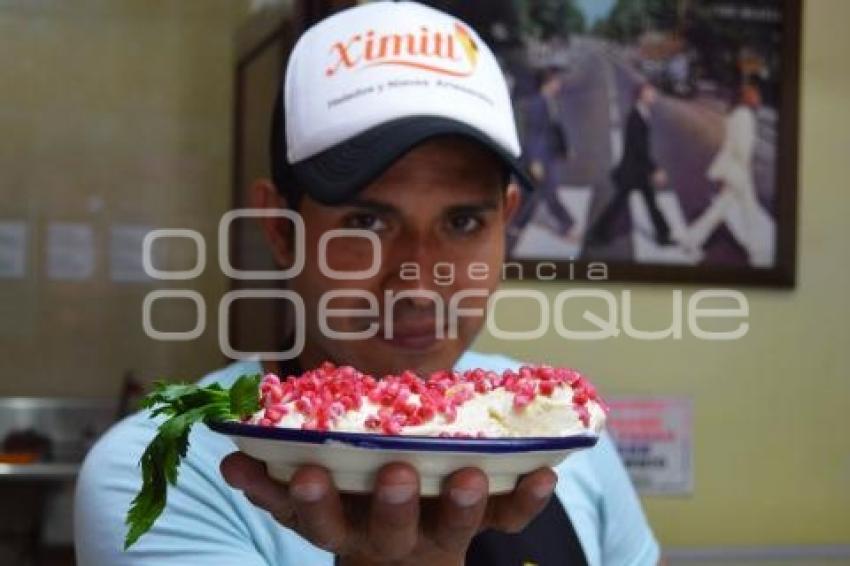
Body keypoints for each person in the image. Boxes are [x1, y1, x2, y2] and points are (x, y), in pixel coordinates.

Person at [75, 3, 659, 565]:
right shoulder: (167, 469)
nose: (420, 282)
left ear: (505, 220)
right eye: (367, 222)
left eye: (462, 222)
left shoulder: (559, 437)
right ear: (281, 229)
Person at [680, 83, 767, 265]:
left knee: (740, 211)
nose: (758, 98)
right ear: (747, 98)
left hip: (737, 172)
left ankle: (756, 251)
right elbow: (742, 149)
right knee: (727, 211)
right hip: (739, 172)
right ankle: (691, 240)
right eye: (755, 95)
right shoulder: (744, 116)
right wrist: (747, 167)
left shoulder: (735, 114)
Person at [587, 83, 674, 247]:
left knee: (650, 203)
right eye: (651, 93)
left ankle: (663, 235)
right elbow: (639, 148)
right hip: (632, 172)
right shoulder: (635, 117)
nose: (654, 96)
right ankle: (598, 233)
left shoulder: (642, 114)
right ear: (642, 95)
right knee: (620, 204)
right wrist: (655, 169)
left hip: (637, 171)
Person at [509, 66, 578, 248]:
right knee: (550, 192)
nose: (559, 84)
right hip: (540, 157)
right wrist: (535, 161)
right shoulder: (537, 104)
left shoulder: (550, 101)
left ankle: (517, 223)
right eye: (556, 81)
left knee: (533, 193)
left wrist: (564, 149)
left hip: (549, 154)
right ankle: (567, 225)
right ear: (547, 83)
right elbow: (534, 134)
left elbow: (554, 129)